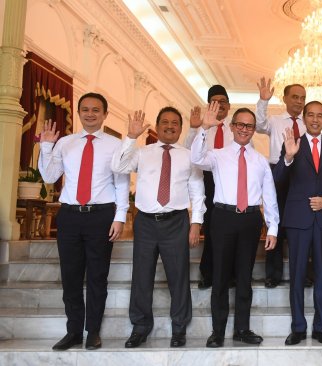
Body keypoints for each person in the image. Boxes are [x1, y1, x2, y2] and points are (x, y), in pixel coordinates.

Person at [38, 92, 130, 350]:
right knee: (71, 277)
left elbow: (121, 183)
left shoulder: (115, 145)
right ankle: (74, 331)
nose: (90, 114)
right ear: (79, 113)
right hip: (69, 216)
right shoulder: (65, 142)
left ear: (105, 114)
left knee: (98, 277)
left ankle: (93, 331)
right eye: (85, 109)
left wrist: (119, 217)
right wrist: (46, 146)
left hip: (101, 216)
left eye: (96, 110)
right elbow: (49, 175)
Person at [111, 107, 205, 348]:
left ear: (181, 128)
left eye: (175, 123)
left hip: (176, 221)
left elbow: (197, 190)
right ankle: (140, 326)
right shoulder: (142, 152)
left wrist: (196, 223)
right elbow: (118, 168)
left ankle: (179, 327)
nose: (170, 126)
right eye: (165, 122)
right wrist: (131, 137)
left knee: (179, 275)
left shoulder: (189, 155)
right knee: (142, 275)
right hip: (146, 222)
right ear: (157, 125)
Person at [190, 103, 279, 348]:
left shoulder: (260, 161)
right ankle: (217, 331)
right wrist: (204, 128)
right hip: (223, 218)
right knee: (219, 276)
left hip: (250, 220)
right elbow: (196, 158)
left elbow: (269, 196)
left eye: (249, 126)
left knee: (244, 276)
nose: (244, 129)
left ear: (253, 130)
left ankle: (242, 328)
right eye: (240, 124)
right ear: (232, 126)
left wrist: (272, 228)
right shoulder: (217, 155)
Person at [273, 101, 322, 345]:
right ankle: (298, 327)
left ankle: (320, 328)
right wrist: (288, 158)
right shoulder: (292, 145)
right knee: (297, 274)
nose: (315, 120)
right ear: (303, 118)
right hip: (298, 220)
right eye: (310, 115)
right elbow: (277, 180)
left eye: (319, 116)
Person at [255, 78, 308, 288]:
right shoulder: (275, 121)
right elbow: (259, 124)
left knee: (301, 225)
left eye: (303, 98)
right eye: (295, 97)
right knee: (274, 222)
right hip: (277, 173)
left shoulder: (308, 123)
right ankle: (273, 275)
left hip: (303, 176)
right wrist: (263, 101)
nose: (299, 102)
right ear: (285, 98)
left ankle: (303, 273)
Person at [184, 85, 233, 290]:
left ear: (229, 106)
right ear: (208, 105)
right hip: (209, 181)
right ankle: (208, 273)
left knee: (230, 231)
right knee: (212, 229)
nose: (219, 105)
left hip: (231, 182)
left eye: (223, 101)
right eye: (214, 101)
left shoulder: (236, 127)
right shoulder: (201, 128)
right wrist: (194, 128)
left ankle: (229, 275)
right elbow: (188, 151)